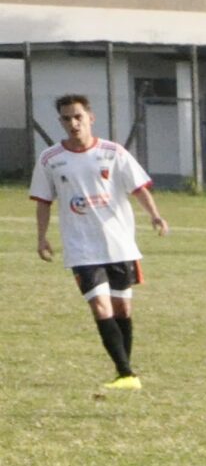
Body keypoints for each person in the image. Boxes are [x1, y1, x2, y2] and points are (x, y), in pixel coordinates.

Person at [30, 92, 168, 394]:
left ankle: (125, 372)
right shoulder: (51, 159)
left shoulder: (113, 152)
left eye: (78, 117)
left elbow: (138, 188)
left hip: (118, 244)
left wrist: (155, 216)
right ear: (61, 122)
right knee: (101, 308)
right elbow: (43, 200)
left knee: (122, 310)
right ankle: (126, 371)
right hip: (82, 248)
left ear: (90, 118)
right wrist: (41, 238)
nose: (73, 123)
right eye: (67, 119)